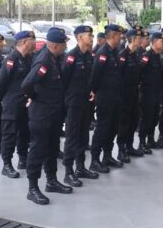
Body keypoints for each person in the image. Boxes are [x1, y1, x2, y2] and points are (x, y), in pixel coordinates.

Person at [22, 28, 73, 205]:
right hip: (42, 115)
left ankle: (51, 180)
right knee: (38, 150)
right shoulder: (44, 61)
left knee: (52, 148)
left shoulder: (56, 58)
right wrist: (36, 98)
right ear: (55, 46)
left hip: (54, 112)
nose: (66, 46)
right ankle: (33, 187)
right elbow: (27, 84)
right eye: (64, 44)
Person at [0, 30, 35, 178]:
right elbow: (0, 83)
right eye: (32, 39)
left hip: (25, 104)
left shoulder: (28, 58)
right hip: (11, 104)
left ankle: (23, 158)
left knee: (24, 132)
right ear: (24, 42)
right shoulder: (11, 59)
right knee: (9, 134)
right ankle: (6, 164)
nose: (35, 42)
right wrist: (3, 100)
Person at [61, 25, 96, 186]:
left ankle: (80, 167)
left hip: (86, 102)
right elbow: (64, 81)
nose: (92, 37)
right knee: (72, 137)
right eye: (89, 35)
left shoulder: (89, 56)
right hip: (73, 103)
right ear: (79, 37)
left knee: (83, 135)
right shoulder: (71, 57)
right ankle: (68, 171)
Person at [89, 24, 124, 173]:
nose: (121, 37)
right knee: (102, 129)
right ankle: (95, 160)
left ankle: (107, 156)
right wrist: (94, 93)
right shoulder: (103, 52)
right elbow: (95, 76)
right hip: (105, 98)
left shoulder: (114, 51)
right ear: (113, 35)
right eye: (119, 35)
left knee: (113, 128)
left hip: (115, 97)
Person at [116, 28, 144, 162]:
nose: (141, 41)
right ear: (132, 39)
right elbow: (118, 76)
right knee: (124, 123)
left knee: (133, 121)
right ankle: (121, 150)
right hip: (124, 95)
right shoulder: (123, 55)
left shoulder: (135, 54)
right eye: (139, 39)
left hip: (134, 94)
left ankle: (129, 146)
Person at [138, 32, 163, 151]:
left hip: (156, 92)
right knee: (146, 117)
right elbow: (140, 73)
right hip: (147, 93)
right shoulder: (147, 56)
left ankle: (151, 139)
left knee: (154, 117)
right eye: (162, 41)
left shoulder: (158, 55)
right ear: (154, 42)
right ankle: (142, 142)